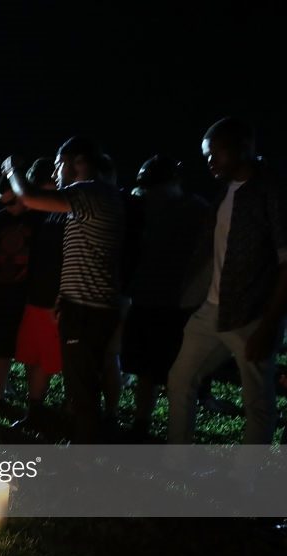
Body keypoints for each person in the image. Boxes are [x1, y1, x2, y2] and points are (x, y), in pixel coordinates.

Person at [167, 118, 287, 444]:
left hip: (251, 314)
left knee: (257, 400)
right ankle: (175, 460)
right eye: (206, 156)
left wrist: (268, 325)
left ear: (243, 148)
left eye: (215, 154)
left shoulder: (272, 191)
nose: (209, 163)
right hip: (212, 308)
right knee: (180, 379)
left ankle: (246, 480)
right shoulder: (224, 190)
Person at [3, 137, 126, 443]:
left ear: (76, 163)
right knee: (81, 382)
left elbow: (28, 197)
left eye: (59, 164)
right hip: (85, 303)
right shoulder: (101, 195)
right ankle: (82, 443)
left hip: (88, 308)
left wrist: (12, 170)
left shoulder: (89, 191)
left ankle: (83, 457)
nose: (56, 172)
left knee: (81, 386)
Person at [121, 155, 212, 439]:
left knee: (175, 374)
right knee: (148, 370)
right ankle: (142, 423)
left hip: (177, 302)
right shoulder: (142, 207)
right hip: (148, 297)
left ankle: (169, 432)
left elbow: (207, 253)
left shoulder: (195, 210)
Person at [12, 158, 66, 433]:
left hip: (53, 298)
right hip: (34, 296)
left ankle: (58, 415)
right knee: (32, 356)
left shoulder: (65, 212)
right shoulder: (41, 216)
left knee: (49, 359)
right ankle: (33, 409)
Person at [0, 175, 41, 400]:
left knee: (30, 351)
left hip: (28, 295)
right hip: (1, 294)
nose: (7, 207)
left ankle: (34, 401)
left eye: (11, 202)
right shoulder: (0, 221)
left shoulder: (37, 220)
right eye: (3, 202)